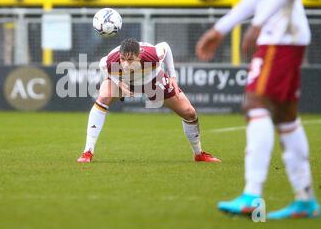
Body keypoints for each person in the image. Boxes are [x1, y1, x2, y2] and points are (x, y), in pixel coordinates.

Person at [196, 0, 321, 219]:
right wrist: (221, 28)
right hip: (284, 34)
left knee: (256, 105)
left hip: (281, 36)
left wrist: (258, 24)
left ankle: (252, 195)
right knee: (286, 116)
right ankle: (305, 199)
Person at [77, 38, 221, 163]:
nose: (125, 64)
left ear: (139, 56)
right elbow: (103, 66)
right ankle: (87, 152)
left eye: (130, 60)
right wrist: (117, 81)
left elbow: (166, 46)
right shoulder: (111, 60)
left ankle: (199, 154)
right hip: (125, 82)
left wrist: (173, 77)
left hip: (152, 79)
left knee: (189, 113)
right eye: (123, 59)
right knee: (103, 96)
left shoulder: (153, 54)